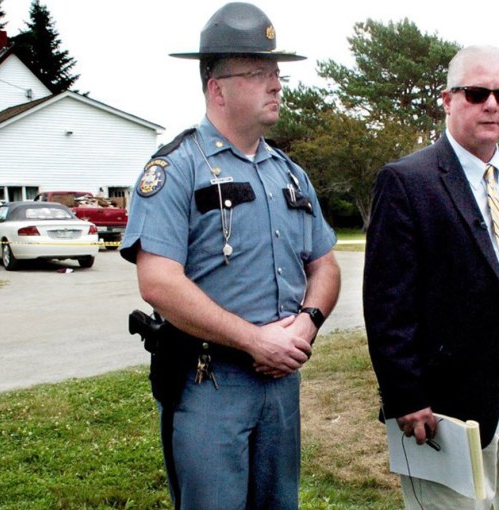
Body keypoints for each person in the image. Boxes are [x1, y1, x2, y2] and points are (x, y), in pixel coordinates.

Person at [119, 3, 340, 509]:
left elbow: (324, 263)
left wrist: (307, 322)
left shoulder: (289, 173)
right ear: (217, 88)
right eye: (259, 73)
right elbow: (158, 282)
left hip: (280, 381)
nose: (276, 84)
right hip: (209, 382)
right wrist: (252, 339)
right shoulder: (176, 169)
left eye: (276, 73)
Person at [364, 45, 499, 510]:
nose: (492, 105)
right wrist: (406, 393)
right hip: (447, 400)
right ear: (447, 99)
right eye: (478, 93)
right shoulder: (407, 181)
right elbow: (387, 302)